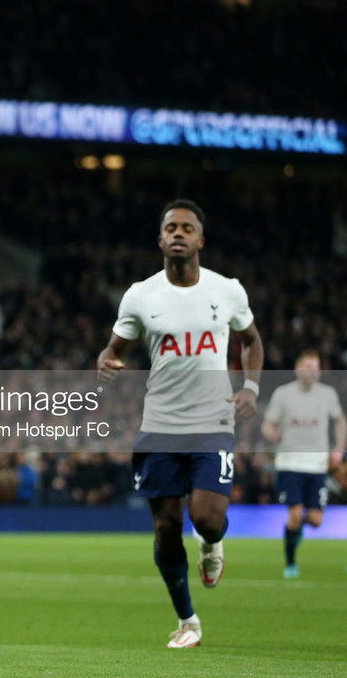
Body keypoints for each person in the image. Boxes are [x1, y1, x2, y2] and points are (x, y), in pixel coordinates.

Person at [97, 200, 263, 649]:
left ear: (200, 240)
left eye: (187, 228)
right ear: (160, 239)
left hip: (213, 421)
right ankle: (188, 621)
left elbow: (251, 340)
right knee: (166, 528)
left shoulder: (227, 290)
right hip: (160, 426)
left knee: (207, 519)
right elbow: (116, 348)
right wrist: (107, 361)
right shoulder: (140, 295)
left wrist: (251, 387)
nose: (178, 233)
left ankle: (212, 544)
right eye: (171, 227)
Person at [260, 351, 347, 579]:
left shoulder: (328, 394)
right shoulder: (283, 394)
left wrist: (339, 447)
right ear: (298, 370)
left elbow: (340, 421)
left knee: (317, 521)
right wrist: (272, 433)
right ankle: (290, 564)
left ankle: (295, 530)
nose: (313, 371)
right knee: (295, 515)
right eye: (309, 366)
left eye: (316, 367)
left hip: (317, 465)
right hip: (290, 463)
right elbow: (267, 425)